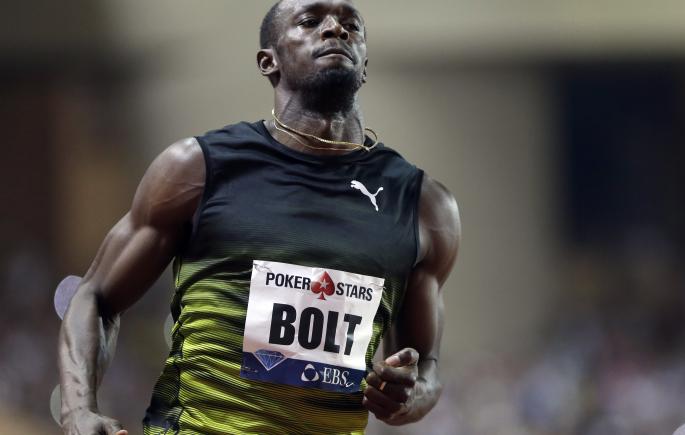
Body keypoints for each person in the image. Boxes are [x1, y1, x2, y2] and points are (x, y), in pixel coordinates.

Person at [58, 0, 461, 433]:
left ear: (364, 66)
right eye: (310, 21)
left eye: (351, 25)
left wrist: (411, 395)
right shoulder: (198, 168)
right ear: (269, 62)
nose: (335, 30)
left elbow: (427, 369)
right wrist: (77, 409)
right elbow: (95, 296)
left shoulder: (422, 205)